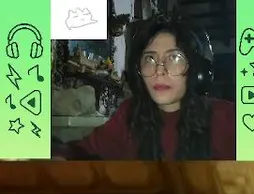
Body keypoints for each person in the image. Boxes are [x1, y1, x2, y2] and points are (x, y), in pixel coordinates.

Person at [52, 16, 236, 160]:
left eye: (174, 58)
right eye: (150, 58)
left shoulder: (228, 119)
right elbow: (81, 152)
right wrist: (61, 157)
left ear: (195, 69)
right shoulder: (130, 114)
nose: (159, 71)